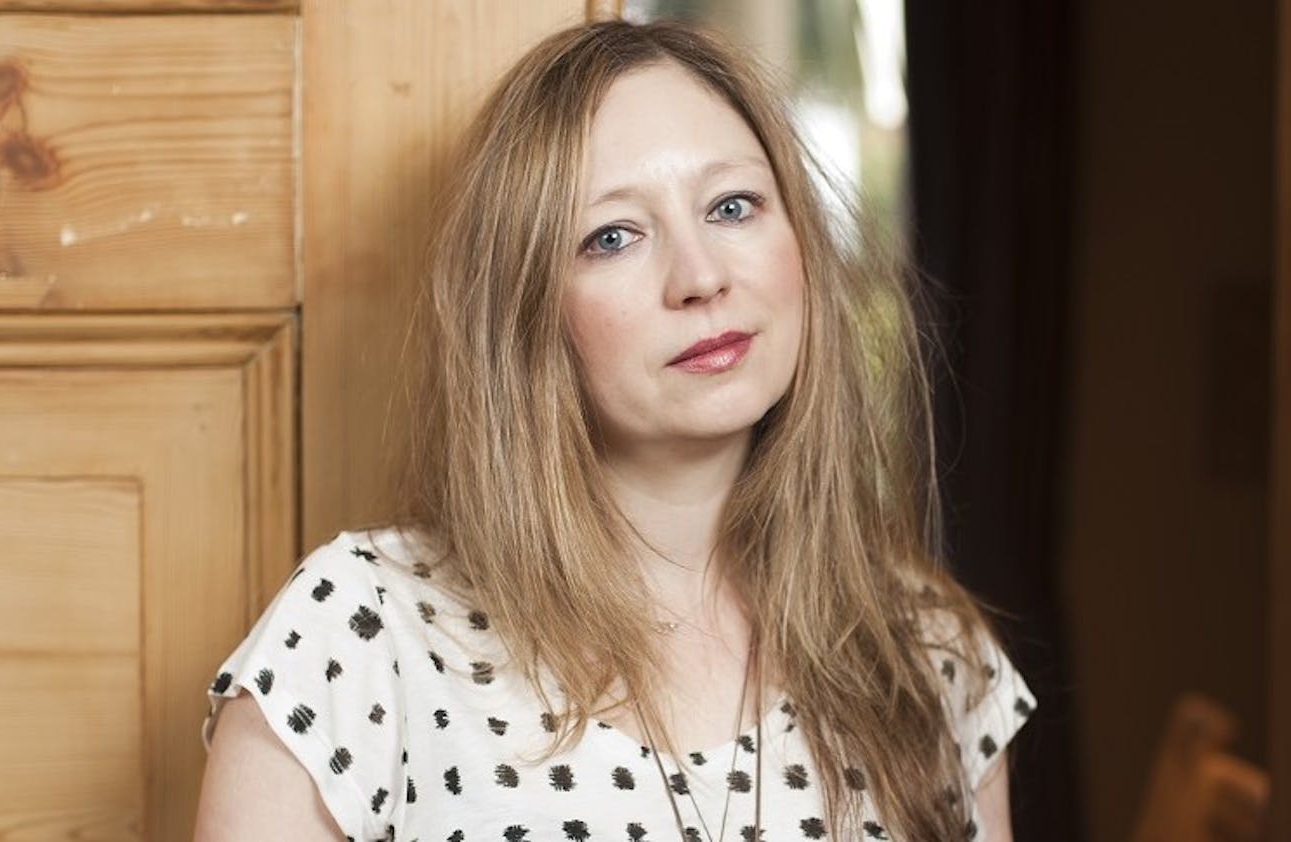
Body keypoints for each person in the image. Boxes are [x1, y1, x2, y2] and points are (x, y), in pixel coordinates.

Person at [194, 19, 1035, 842]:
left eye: (733, 205)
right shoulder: (361, 634)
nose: (701, 277)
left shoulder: (926, 650)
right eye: (613, 236)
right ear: (525, 314)